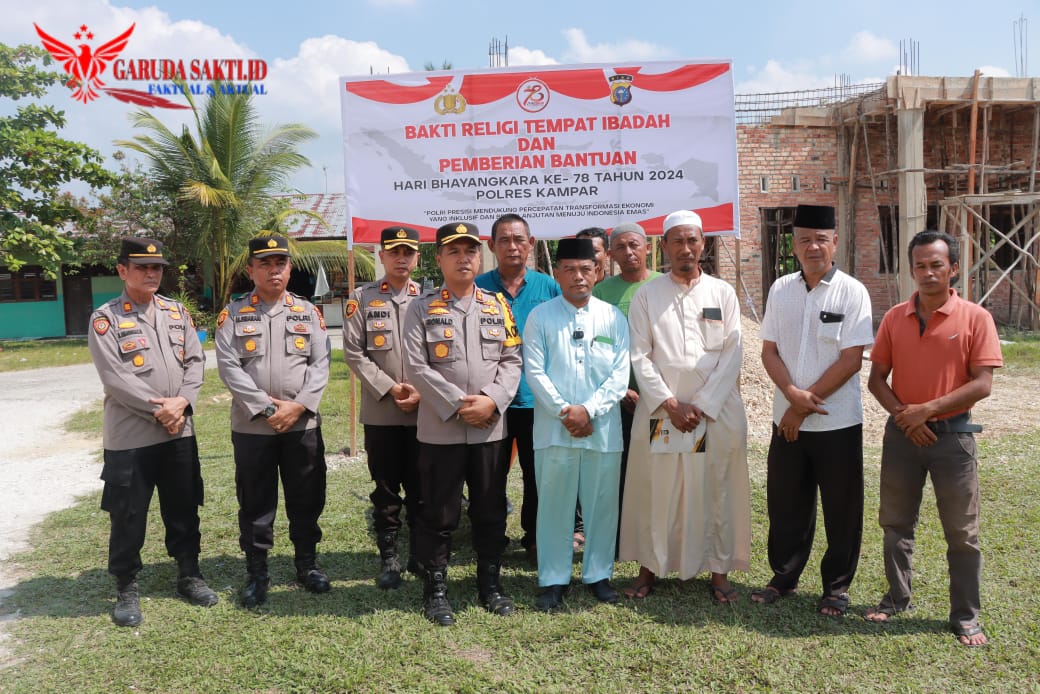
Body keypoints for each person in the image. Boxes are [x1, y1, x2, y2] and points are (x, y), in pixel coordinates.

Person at [864, 230, 1001, 647]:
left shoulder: (976, 318)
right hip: (903, 438)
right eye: (920, 265)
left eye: (936, 265)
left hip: (953, 440)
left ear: (953, 268)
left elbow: (983, 384)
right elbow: (876, 380)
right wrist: (908, 419)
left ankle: (965, 616)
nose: (927, 273)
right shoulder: (893, 318)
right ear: (911, 270)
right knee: (895, 523)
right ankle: (896, 599)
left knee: (961, 532)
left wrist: (928, 410)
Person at [618, 210, 750, 602]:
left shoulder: (722, 293)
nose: (686, 248)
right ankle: (650, 567)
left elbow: (734, 353)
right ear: (664, 247)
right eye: (677, 241)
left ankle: (719, 571)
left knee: (718, 487)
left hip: (717, 412)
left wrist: (704, 404)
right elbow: (639, 356)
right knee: (659, 488)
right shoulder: (647, 295)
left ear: (703, 244)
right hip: (664, 412)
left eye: (693, 240)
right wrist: (672, 403)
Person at [87, 237, 218, 627]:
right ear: (122, 270)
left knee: (183, 505)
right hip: (132, 436)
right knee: (128, 513)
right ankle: (126, 585)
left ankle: (189, 574)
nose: (151, 273)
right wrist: (163, 410)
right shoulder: (105, 319)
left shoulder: (177, 312)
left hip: (179, 432)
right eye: (142, 267)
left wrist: (183, 403)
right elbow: (116, 378)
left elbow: (195, 361)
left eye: (157, 267)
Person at [752, 204, 874, 617]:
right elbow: (768, 350)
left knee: (842, 507)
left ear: (835, 242)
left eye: (821, 239)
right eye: (804, 239)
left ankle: (836, 588)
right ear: (793, 244)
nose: (813, 246)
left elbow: (851, 359)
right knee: (786, 503)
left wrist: (802, 406)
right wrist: (789, 394)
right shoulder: (780, 289)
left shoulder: (852, 291)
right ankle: (783, 577)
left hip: (836, 421)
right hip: (784, 419)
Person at [402, 221, 523, 626]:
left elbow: (511, 360)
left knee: (490, 508)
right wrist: (457, 404)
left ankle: (490, 582)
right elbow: (416, 366)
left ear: (480, 256)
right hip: (441, 429)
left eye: (470, 250)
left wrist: (492, 400)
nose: (463, 257)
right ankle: (435, 588)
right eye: (454, 251)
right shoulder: (421, 308)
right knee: (438, 512)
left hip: (489, 427)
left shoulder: (497, 305)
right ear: (439, 258)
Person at [215, 235, 332, 608]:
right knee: (256, 502)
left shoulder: (307, 312)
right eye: (264, 263)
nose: (273, 269)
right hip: (253, 428)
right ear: (251, 270)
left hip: (301, 426)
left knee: (306, 498)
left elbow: (320, 364)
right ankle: (257, 572)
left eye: (280, 262)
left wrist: (298, 407)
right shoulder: (233, 314)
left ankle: (307, 564)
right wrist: (268, 409)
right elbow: (229, 367)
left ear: (290, 268)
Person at [523, 237, 630, 611]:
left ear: (598, 271)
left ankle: (598, 573)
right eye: (569, 269)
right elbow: (533, 371)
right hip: (555, 430)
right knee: (554, 505)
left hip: (602, 429)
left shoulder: (613, 318)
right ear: (557, 273)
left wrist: (589, 410)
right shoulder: (541, 317)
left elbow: (620, 375)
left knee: (602, 504)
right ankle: (553, 578)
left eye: (586, 269)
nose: (578, 276)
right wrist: (567, 412)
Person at [475, 213, 560, 561]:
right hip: (492, 403)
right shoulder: (478, 287)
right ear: (492, 246)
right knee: (489, 477)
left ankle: (535, 536)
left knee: (537, 475)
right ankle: (490, 539)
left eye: (518, 240)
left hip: (535, 402)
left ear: (531, 245)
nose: (512, 246)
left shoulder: (549, 288)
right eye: (504, 240)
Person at [342, 226, 423, 589]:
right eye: (395, 252)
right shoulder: (362, 299)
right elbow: (354, 353)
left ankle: (421, 554)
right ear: (382, 256)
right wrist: (391, 388)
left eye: (409, 252)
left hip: (425, 411)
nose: (402, 258)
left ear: (417, 257)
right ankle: (389, 556)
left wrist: (421, 391)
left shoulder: (431, 297)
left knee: (424, 486)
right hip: (382, 412)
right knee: (386, 488)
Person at [592, 222, 661, 544]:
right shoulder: (602, 292)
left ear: (647, 246)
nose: (628, 252)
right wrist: (620, 389)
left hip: (665, 400)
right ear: (610, 254)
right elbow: (596, 347)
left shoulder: (667, 285)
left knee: (666, 464)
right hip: (621, 401)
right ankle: (623, 537)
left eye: (634, 245)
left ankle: (663, 533)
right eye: (620, 247)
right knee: (619, 469)